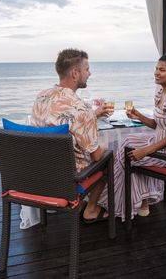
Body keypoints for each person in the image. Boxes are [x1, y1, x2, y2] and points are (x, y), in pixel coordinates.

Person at [98, 55, 166, 221]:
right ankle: (141, 200)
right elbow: (158, 125)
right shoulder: (162, 92)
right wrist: (139, 116)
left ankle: (122, 206)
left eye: (162, 70)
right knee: (125, 146)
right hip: (157, 141)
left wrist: (146, 151)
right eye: (156, 69)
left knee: (126, 158)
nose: (156, 73)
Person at [31, 48, 110, 223]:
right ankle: (90, 209)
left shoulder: (41, 96)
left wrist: (93, 115)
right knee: (107, 158)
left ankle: (80, 205)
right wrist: (106, 146)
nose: (90, 73)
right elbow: (96, 155)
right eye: (87, 69)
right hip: (69, 180)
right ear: (75, 73)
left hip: (39, 174)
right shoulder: (81, 109)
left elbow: (60, 121)